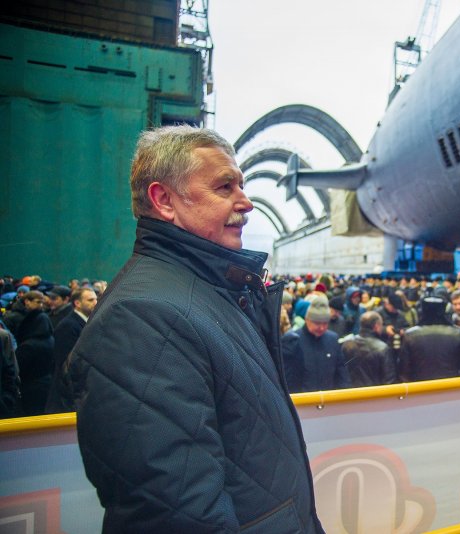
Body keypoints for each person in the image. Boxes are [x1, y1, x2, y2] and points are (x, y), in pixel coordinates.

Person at [67, 126, 324, 532]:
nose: (247, 202)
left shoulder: (207, 295)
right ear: (164, 200)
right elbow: (177, 516)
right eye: (225, 188)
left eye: (241, 185)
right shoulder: (142, 319)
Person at [282, 294, 351, 393]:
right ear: (307, 320)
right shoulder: (292, 340)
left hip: (328, 400)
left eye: (325, 323)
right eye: (317, 323)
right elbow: (287, 379)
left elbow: (342, 374)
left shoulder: (332, 339)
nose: (322, 328)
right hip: (302, 401)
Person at [45, 287, 98, 413]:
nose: (95, 303)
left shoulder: (84, 323)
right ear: (77, 303)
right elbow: (66, 364)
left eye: (96, 299)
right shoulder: (68, 326)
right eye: (90, 300)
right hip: (68, 397)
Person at [398, 297, 460, 382]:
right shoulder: (458, 334)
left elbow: (404, 371)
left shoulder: (410, 335)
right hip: (450, 387)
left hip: (419, 389)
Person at [16, 290, 55, 416]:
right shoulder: (52, 341)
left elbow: (18, 370)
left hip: (30, 389)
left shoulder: (28, 346)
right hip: (48, 386)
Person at [341, 311, 396, 387]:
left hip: (351, 394)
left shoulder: (347, 344)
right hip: (374, 395)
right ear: (376, 326)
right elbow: (389, 380)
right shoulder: (383, 348)